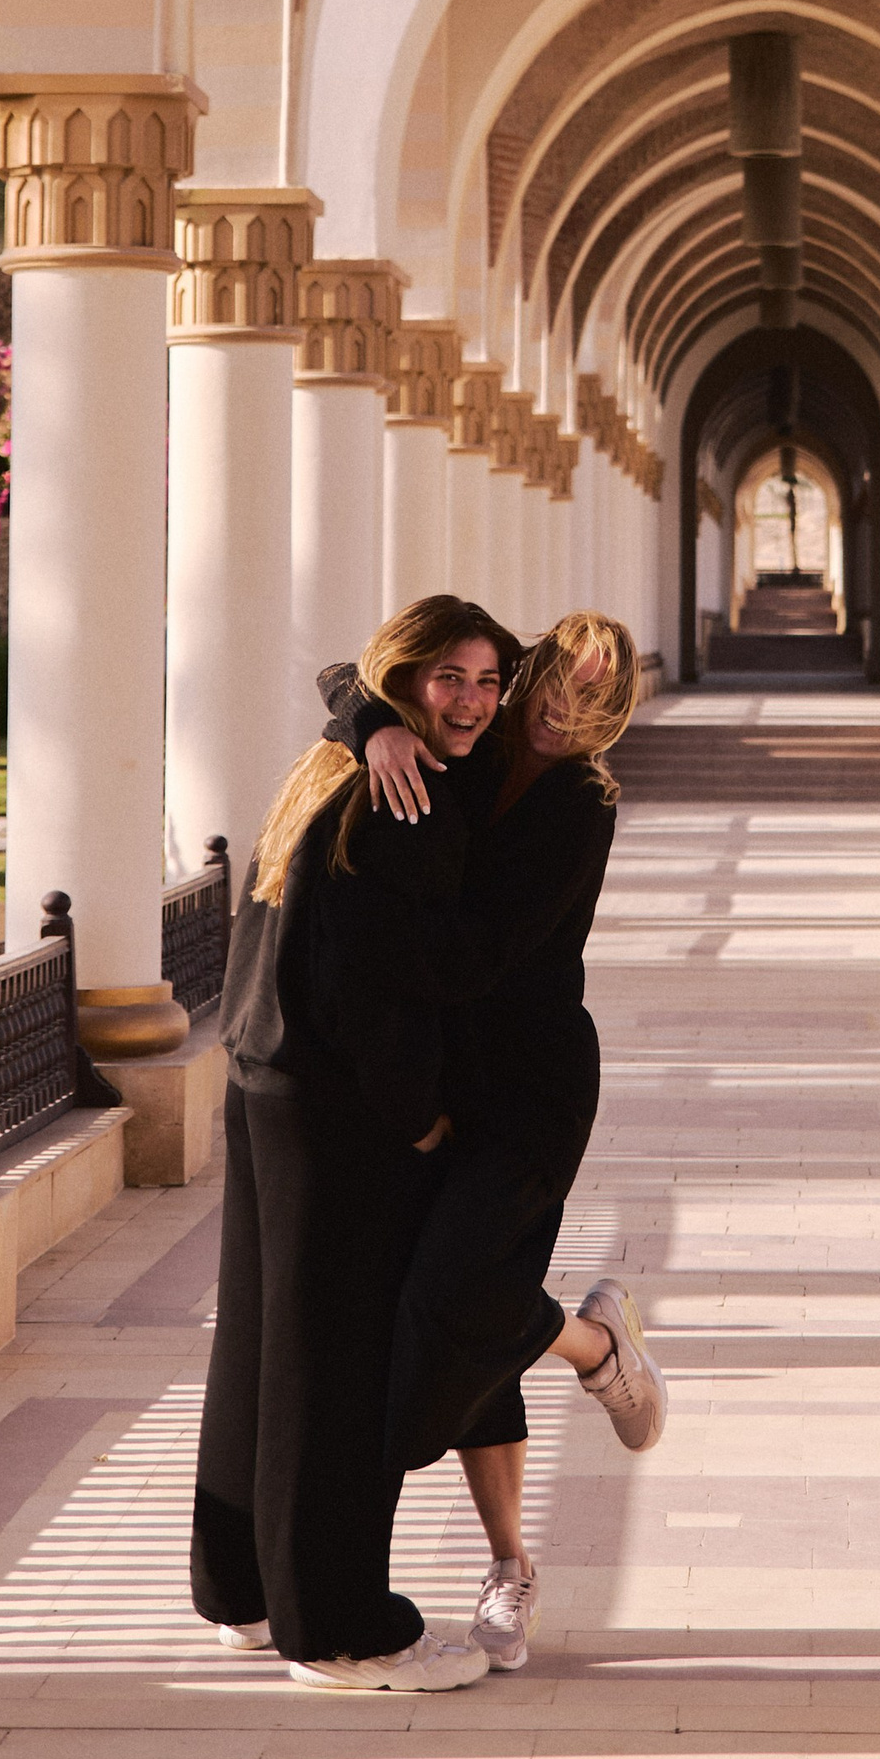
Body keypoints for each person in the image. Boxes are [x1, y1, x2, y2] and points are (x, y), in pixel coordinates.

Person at [189, 594, 519, 1691]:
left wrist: (362, 711)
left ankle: (241, 1584)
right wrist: (416, 1111)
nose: (470, 699)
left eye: (487, 679)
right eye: (449, 678)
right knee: (335, 1365)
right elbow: (371, 984)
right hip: (336, 1104)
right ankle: (338, 1627)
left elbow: (341, 670)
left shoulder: (340, 761)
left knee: (263, 1340)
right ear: (408, 678)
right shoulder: (402, 792)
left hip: (262, 1077)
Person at [345, 608, 665, 1673]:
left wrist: (364, 943)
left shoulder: (581, 807)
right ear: (524, 679)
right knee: (463, 1303)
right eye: (555, 687)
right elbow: (351, 672)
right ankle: (510, 1564)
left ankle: (597, 1348)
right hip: (443, 1084)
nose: (566, 712)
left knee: (459, 1298)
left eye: (595, 698)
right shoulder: (462, 741)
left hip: (530, 1091)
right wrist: (373, 729)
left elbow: (477, 954)